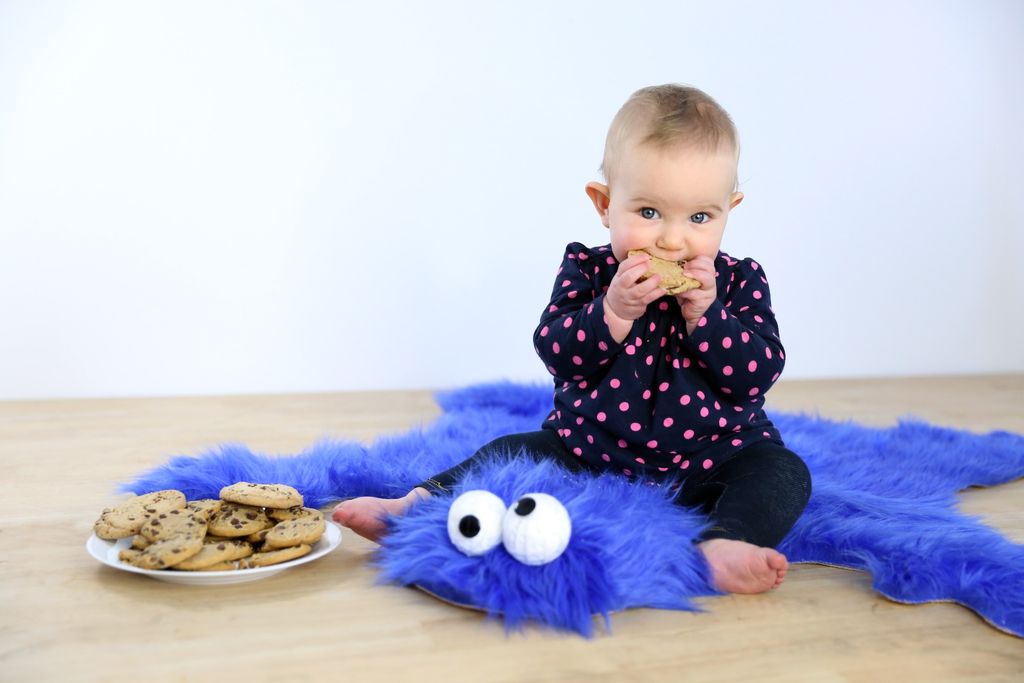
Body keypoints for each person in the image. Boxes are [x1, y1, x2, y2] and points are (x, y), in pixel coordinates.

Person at [334, 84, 811, 594]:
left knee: (783, 472)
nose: (673, 239)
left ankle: (725, 542)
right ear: (605, 204)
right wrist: (612, 312)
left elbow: (757, 373)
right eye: (648, 213)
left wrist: (709, 318)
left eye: (700, 217)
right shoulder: (588, 268)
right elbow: (557, 351)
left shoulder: (738, 280)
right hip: (590, 445)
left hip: (715, 451)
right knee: (510, 451)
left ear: (728, 210)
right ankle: (415, 504)